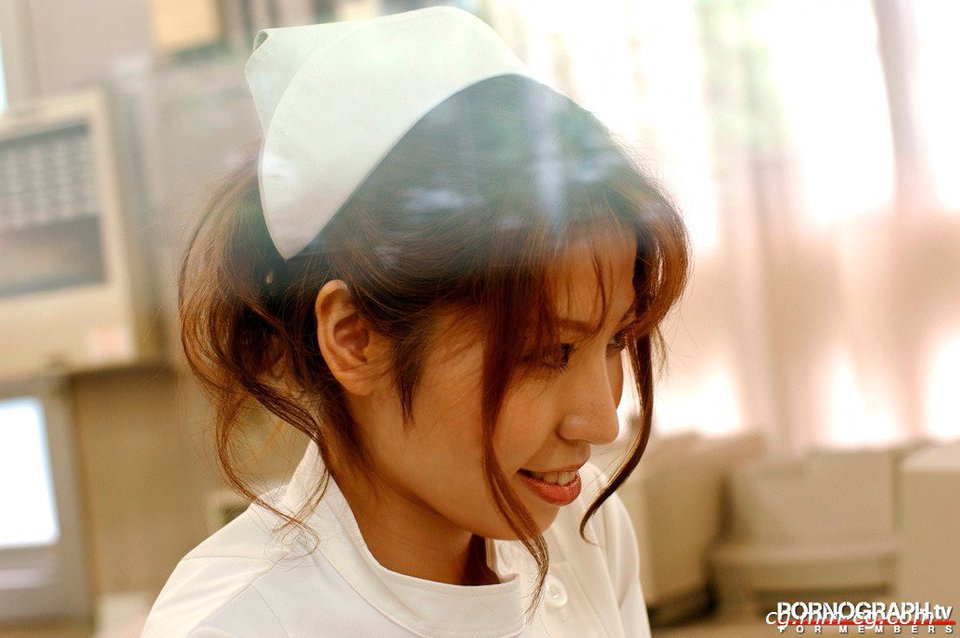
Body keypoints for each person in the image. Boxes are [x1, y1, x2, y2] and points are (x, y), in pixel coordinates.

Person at [141, 6, 688, 637]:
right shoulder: (239, 625)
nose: (601, 421)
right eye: (549, 352)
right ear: (355, 340)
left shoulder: (586, 529)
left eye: (617, 339)